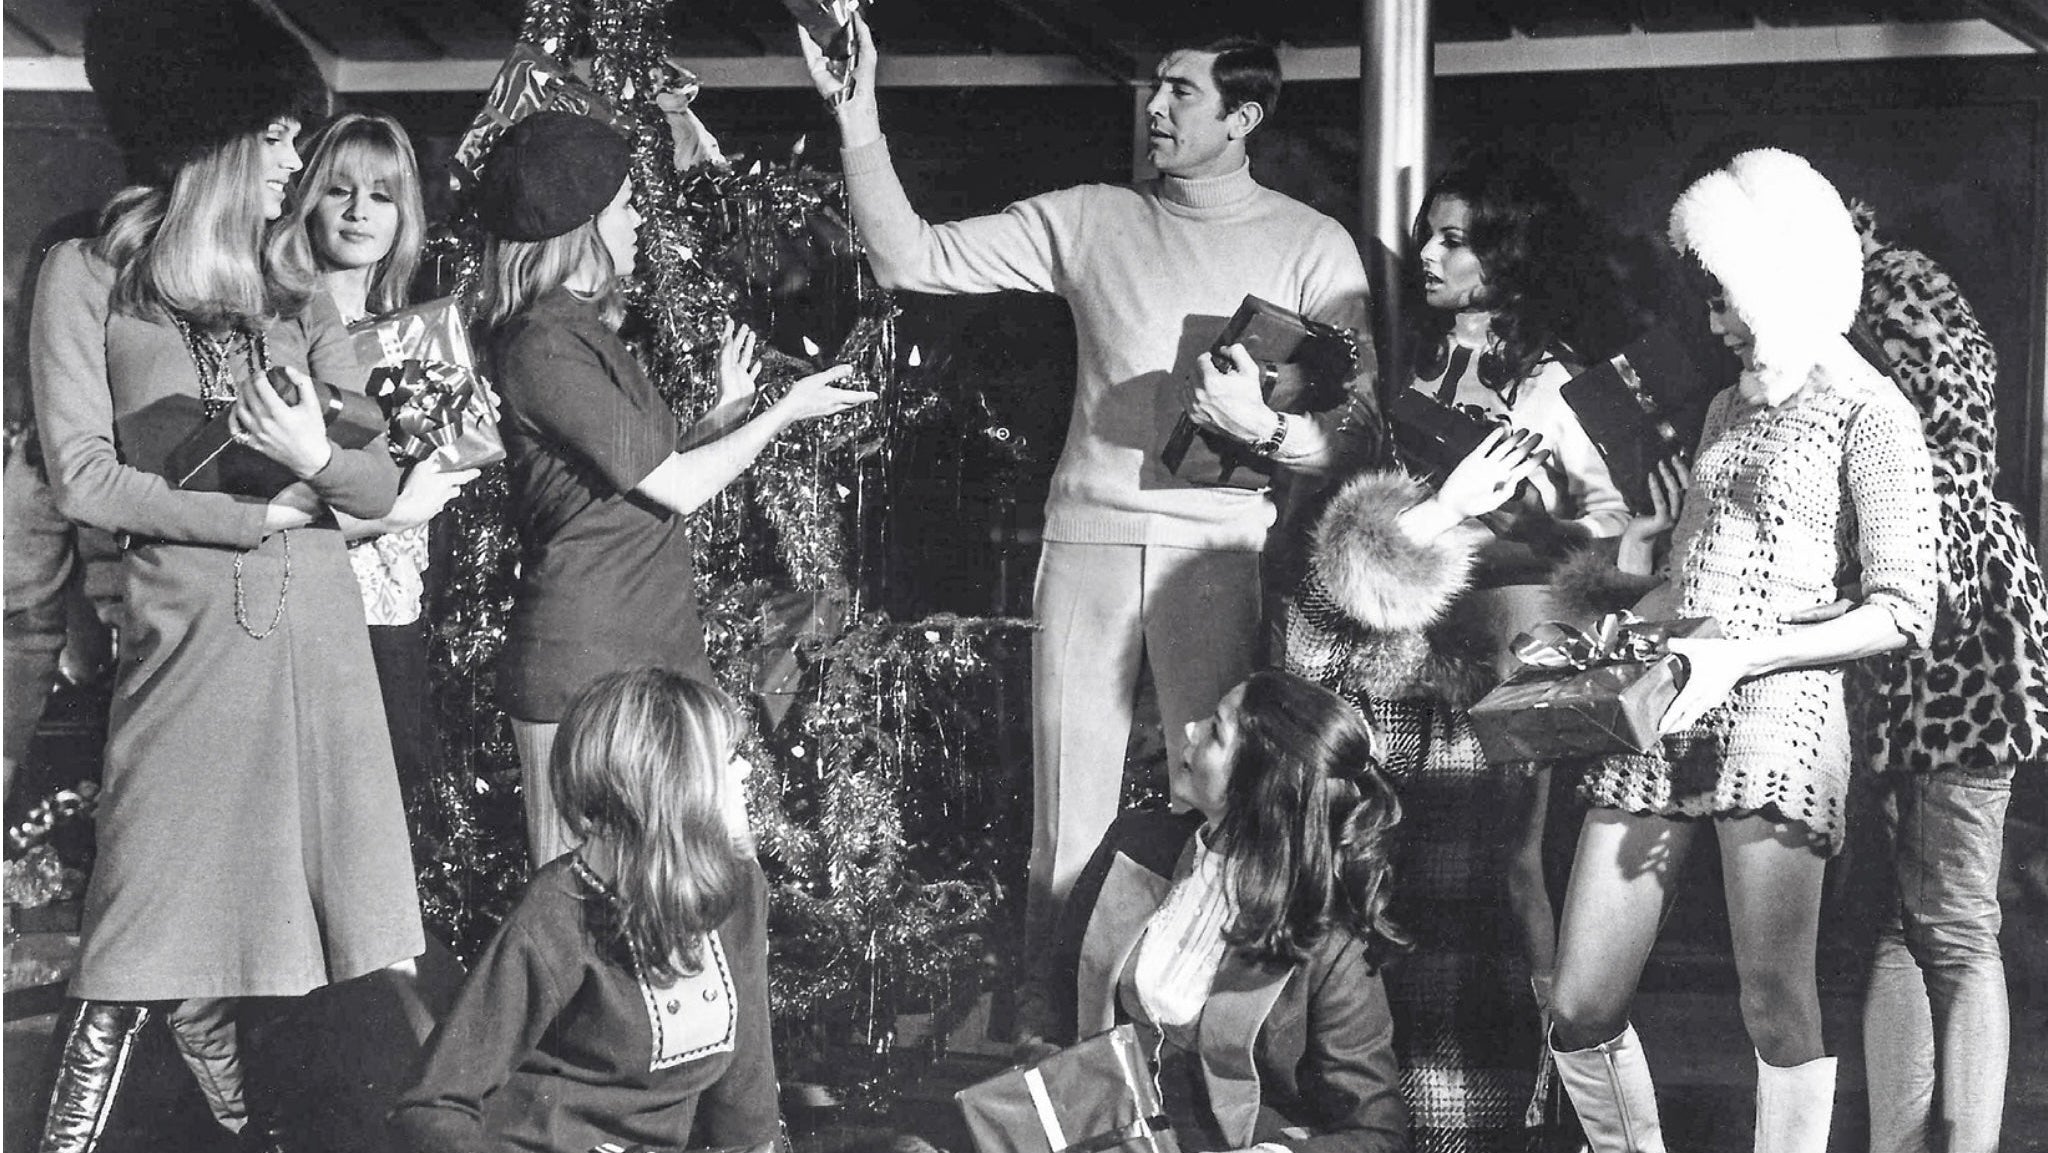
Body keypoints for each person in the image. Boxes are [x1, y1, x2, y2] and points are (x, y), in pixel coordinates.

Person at [799, 14, 1378, 962]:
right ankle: (1055, 1043)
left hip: (1216, 554)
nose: (1153, 105)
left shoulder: (1314, 246)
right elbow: (910, 259)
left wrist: (1263, 430)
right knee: (1066, 824)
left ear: (1245, 116)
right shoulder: (1090, 217)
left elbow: (1359, 436)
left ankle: (1197, 1039)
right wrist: (856, 114)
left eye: (1181, 91)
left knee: (1227, 811)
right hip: (1087, 546)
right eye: (1155, 87)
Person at [31, 1, 426, 1147]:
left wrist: (315, 459)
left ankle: (250, 1131)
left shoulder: (294, 284)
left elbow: (380, 476)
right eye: (280, 136)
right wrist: (262, 506)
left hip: (319, 644)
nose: (298, 162)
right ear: (216, 139)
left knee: (284, 946)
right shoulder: (86, 272)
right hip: (192, 648)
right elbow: (85, 481)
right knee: (139, 937)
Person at [1544, 148, 1939, 1153]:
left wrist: (1741, 654)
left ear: (1780, 280)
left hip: (1780, 716)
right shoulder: (1724, 406)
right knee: (1581, 997)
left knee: (1772, 1002)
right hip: (1666, 704)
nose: (1713, 324)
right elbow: (1695, 568)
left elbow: (1903, 608)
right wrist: (1626, 625)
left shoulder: (1870, 414)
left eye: (1725, 299)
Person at [474, 111, 876, 867]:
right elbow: (679, 489)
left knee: (717, 881)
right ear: (580, 226)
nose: (638, 221)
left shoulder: (587, 334)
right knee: (585, 913)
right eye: (625, 206)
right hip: (586, 668)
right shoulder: (543, 343)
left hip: (652, 651)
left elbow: (638, 481)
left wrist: (726, 410)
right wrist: (785, 412)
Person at [1282, 427, 1563, 1153]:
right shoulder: (1379, 684)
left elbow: (1524, 869)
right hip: (1366, 992)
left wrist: (1550, 1017)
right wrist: (1441, 509)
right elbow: (1317, 620)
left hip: (1482, 1005)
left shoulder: (1527, 714)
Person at [1848, 201, 2048, 1153]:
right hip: (1925, 635)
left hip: (1951, 635)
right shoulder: (1898, 291)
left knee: (1953, 925)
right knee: (1905, 921)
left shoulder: (1894, 288)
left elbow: (1941, 461)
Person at [1019, 669, 1411, 1153]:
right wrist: (1054, 1085)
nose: (1188, 729)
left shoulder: (1330, 940)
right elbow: (1047, 992)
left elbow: (1378, 1134)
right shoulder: (1134, 844)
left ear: (1260, 786)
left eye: (1216, 731)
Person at [392, 668, 782, 1153]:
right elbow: (434, 1105)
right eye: (727, 760)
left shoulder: (738, 887)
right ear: (669, 786)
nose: (744, 772)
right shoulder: (558, 910)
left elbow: (746, 1088)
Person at [283, 111, 480, 836]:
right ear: (307, 201)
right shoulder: (280, 328)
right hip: (308, 613)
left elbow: (457, 461)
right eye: (339, 190)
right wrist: (397, 512)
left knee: (392, 815)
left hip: (396, 612)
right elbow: (268, 506)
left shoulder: (413, 334)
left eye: (383, 194)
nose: (361, 210)